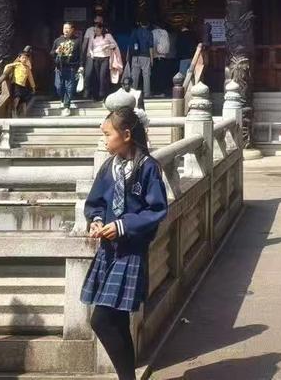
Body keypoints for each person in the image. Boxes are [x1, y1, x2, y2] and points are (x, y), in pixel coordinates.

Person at [81, 106, 168, 380]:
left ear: (126, 134)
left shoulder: (148, 168)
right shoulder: (110, 167)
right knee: (116, 320)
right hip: (109, 250)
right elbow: (95, 202)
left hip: (130, 251)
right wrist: (95, 220)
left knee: (102, 320)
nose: (105, 140)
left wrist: (122, 226)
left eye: (108, 134)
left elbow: (156, 210)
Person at [85, 19, 122, 100]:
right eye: (94, 30)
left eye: (97, 29)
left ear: (101, 29)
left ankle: (104, 94)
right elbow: (89, 48)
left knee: (103, 76)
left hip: (105, 58)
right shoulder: (92, 37)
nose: (96, 31)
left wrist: (108, 46)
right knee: (96, 77)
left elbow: (114, 45)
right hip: (95, 58)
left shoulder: (108, 36)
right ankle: (96, 95)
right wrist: (90, 53)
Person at [51, 22, 83, 113]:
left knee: (69, 87)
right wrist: (56, 51)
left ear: (72, 30)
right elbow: (51, 53)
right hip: (59, 67)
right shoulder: (58, 40)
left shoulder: (77, 41)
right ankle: (62, 99)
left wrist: (81, 66)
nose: (66, 30)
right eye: (64, 28)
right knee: (59, 86)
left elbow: (81, 54)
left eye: (68, 28)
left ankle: (67, 106)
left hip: (71, 67)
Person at [126, 21, 154, 102]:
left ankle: (133, 92)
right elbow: (151, 47)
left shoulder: (134, 32)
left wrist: (128, 56)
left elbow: (129, 45)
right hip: (145, 56)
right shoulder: (149, 33)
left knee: (134, 75)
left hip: (135, 56)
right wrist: (152, 59)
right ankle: (147, 93)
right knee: (146, 75)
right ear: (147, 24)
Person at [7, 48, 37, 118]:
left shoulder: (27, 68)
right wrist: (5, 73)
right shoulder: (17, 64)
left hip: (23, 86)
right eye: (23, 58)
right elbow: (7, 66)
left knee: (24, 100)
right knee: (16, 98)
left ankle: (23, 114)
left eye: (26, 58)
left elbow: (30, 78)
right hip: (16, 84)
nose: (24, 59)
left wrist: (33, 87)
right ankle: (13, 112)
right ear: (19, 58)